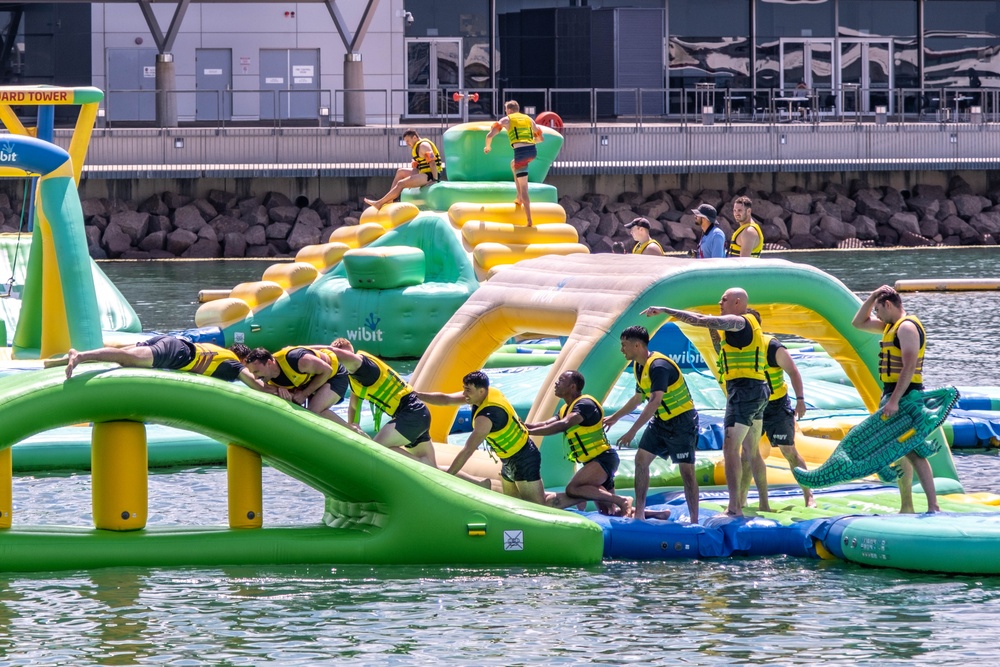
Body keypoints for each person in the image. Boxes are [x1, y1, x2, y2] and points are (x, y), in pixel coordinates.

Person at [643, 288, 771, 516]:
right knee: (751, 450)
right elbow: (718, 346)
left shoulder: (738, 321)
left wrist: (665, 310)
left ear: (737, 302)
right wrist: (712, 328)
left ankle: (734, 508)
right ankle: (761, 503)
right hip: (758, 391)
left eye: (724, 299)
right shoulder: (745, 328)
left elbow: (701, 320)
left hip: (744, 392)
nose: (719, 302)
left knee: (730, 449)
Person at [851, 285, 940, 514]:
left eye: (878, 309)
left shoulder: (907, 327)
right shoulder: (890, 326)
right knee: (903, 449)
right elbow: (858, 323)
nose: (876, 315)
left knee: (913, 450)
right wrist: (872, 296)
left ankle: (932, 506)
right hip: (893, 392)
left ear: (888, 305)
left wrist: (894, 401)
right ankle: (908, 505)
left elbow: (909, 367)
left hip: (907, 395)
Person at [603, 325, 700, 523]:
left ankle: (695, 522)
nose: (622, 349)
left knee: (687, 472)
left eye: (624, 345)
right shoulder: (639, 366)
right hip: (661, 422)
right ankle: (639, 514)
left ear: (637, 345)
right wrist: (615, 417)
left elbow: (654, 401)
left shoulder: (658, 367)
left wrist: (632, 431)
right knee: (641, 460)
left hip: (682, 422)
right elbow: (638, 398)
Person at [417, 370, 545, 504]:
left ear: (481, 391)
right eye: (464, 389)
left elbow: (468, 450)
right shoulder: (485, 394)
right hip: (508, 460)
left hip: (524, 459)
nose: (464, 394)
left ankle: (568, 501)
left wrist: (449, 477)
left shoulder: (486, 417)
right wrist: (417, 395)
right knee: (514, 505)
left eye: (468, 390)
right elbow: (446, 399)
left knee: (538, 507)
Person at [524, 370, 633, 516]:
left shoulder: (585, 405)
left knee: (573, 488)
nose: (556, 383)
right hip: (592, 463)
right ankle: (655, 514)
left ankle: (621, 499)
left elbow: (564, 424)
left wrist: (528, 432)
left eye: (561, 380)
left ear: (572, 387)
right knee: (608, 512)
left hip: (603, 459)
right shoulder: (565, 409)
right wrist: (522, 427)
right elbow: (544, 424)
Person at [329, 338, 437, 466]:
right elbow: (353, 406)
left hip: (411, 413)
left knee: (376, 450)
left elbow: (335, 354)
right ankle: (466, 481)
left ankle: (421, 463)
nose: (347, 360)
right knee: (436, 470)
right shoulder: (354, 378)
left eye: (347, 356)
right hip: (415, 414)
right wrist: (354, 425)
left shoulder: (363, 365)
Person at [747, 309, 815, 507]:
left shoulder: (772, 346)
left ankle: (808, 495)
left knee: (789, 451)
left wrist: (800, 400)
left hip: (776, 405)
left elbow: (793, 372)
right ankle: (743, 500)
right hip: (753, 405)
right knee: (746, 454)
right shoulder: (739, 346)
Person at [45, 335, 268, 390]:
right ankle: (80, 356)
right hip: (176, 353)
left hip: (173, 342)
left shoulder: (220, 351)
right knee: (128, 359)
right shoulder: (235, 364)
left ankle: (67, 358)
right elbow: (255, 385)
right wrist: (278, 390)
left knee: (123, 355)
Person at [243, 345, 358, 431]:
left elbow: (327, 370)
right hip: (312, 381)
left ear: (269, 363)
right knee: (316, 413)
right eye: (253, 373)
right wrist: (289, 397)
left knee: (313, 413)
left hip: (334, 375)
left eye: (257, 371)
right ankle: (352, 429)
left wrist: (304, 394)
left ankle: (353, 432)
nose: (255, 377)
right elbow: (297, 402)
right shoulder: (269, 380)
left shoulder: (298, 360)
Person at [484, 100, 544, 227]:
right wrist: (528, 143)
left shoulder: (506, 120)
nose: (506, 112)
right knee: (513, 164)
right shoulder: (529, 119)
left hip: (521, 153)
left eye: (506, 110)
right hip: (532, 151)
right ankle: (518, 197)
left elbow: (490, 135)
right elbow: (540, 138)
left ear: (509, 110)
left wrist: (487, 147)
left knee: (524, 188)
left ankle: (529, 220)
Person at [363, 129, 443, 210]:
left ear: (415, 137)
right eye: (405, 141)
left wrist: (435, 180)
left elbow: (432, 163)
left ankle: (379, 203)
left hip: (430, 175)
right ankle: (390, 200)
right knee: (400, 171)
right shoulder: (416, 147)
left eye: (408, 140)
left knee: (401, 183)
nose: (407, 143)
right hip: (423, 172)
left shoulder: (424, 146)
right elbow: (419, 165)